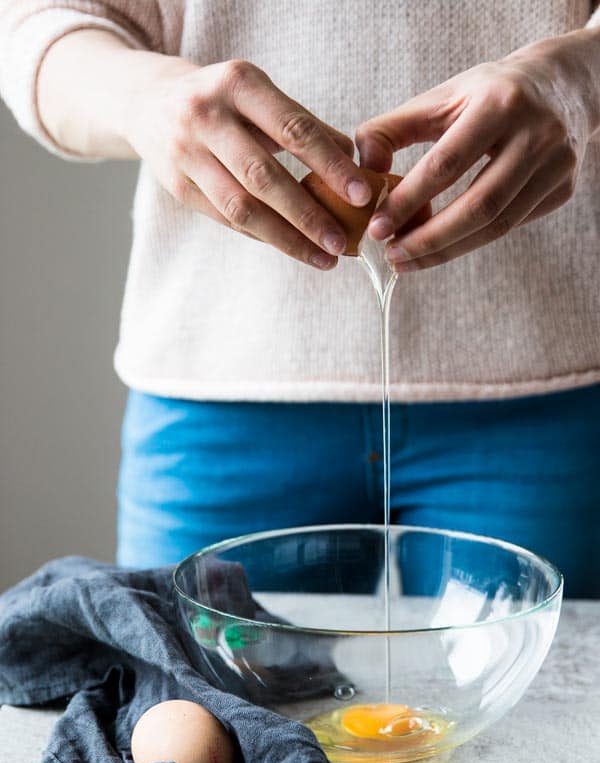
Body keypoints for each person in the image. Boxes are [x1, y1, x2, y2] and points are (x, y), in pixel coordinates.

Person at [1, 2, 599, 596]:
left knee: (551, 686)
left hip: (545, 394)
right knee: (190, 685)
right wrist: (146, 98)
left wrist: (574, 75)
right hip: (222, 386)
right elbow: (41, 25)